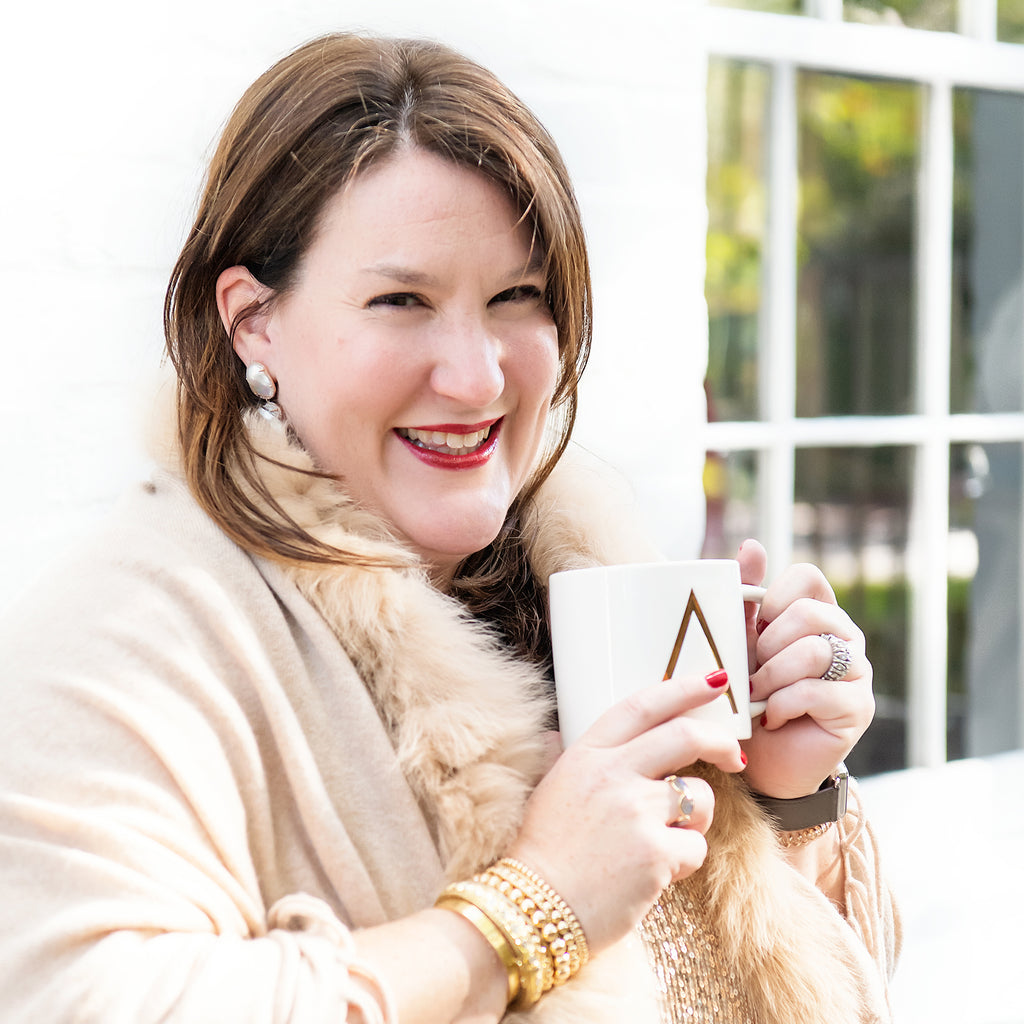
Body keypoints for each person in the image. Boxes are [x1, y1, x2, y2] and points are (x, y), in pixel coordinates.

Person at [0, 32, 899, 1024]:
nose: (476, 379)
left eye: (517, 296)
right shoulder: (135, 639)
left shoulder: (586, 579)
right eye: (401, 300)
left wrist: (784, 793)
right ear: (253, 319)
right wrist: (528, 910)